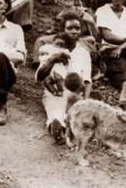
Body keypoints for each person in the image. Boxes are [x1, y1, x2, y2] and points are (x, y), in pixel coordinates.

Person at [36, 17, 92, 145]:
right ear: (63, 30)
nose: (73, 31)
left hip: (76, 91)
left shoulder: (83, 52)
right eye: (69, 28)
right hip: (56, 90)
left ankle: (66, 125)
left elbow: (88, 79)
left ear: (81, 30)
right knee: (54, 104)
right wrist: (54, 58)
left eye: (77, 28)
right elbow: (39, 76)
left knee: (75, 109)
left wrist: (86, 100)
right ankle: (56, 125)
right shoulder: (50, 49)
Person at [31, 0, 97, 66]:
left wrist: (91, 21)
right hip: (64, 39)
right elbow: (55, 34)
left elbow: (96, 36)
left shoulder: (83, 12)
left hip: (81, 40)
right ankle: (40, 64)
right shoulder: (59, 16)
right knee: (40, 41)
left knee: (85, 42)